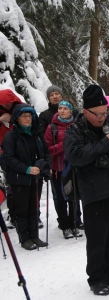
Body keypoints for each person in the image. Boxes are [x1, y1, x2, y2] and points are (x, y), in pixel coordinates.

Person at [64, 85, 109, 295]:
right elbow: (76, 156)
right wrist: (103, 145)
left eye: (105, 112)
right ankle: (97, 278)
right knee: (97, 239)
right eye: (98, 114)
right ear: (86, 112)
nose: (103, 117)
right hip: (94, 193)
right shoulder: (75, 131)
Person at [2, 103, 51, 250]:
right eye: (24, 116)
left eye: (29, 115)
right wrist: (27, 169)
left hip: (36, 177)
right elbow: (9, 159)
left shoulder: (37, 134)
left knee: (34, 208)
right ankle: (25, 238)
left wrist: (42, 166)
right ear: (17, 118)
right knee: (22, 209)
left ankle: (34, 235)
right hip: (19, 178)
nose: (27, 118)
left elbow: (46, 154)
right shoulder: (11, 136)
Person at [38, 85, 81, 229]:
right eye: (52, 95)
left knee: (74, 194)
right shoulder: (48, 121)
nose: (55, 96)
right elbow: (46, 146)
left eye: (57, 93)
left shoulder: (75, 121)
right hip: (57, 165)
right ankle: (64, 224)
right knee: (59, 196)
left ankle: (76, 220)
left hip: (73, 164)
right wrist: (63, 145)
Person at [0, 88, 22, 229]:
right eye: (4, 104)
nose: (8, 106)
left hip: (21, 151)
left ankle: (27, 215)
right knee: (11, 185)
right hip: (4, 153)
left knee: (25, 185)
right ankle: (14, 215)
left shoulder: (20, 109)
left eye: (10, 103)